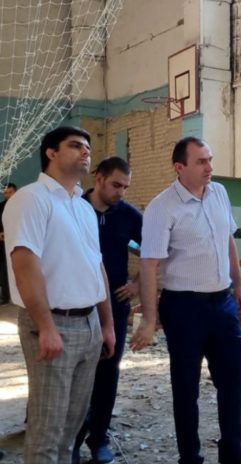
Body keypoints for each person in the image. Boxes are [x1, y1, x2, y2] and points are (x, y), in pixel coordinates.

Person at [3, 126, 115, 463]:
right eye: (76, 146)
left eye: (88, 147)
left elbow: (97, 266)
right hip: (53, 324)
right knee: (47, 433)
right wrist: (46, 327)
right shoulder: (30, 199)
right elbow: (25, 265)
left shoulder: (82, 207)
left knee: (70, 431)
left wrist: (107, 325)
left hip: (89, 325)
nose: (86, 152)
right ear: (51, 153)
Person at [139, 136, 241, 464]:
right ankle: (190, 456)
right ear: (180, 167)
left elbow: (227, 239)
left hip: (222, 303)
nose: (209, 167)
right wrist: (149, 319)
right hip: (183, 307)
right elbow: (149, 264)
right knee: (186, 386)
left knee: (232, 379)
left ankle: (232, 451)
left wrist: (238, 285)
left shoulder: (219, 193)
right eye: (201, 161)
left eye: (210, 159)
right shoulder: (162, 207)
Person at [72, 157, 143, 464]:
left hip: (114, 303)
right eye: (116, 185)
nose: (121, 192)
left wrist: (137, 284)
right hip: (76, 303)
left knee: (108, 370)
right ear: (98, 178)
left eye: (125, 187)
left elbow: (156, 250)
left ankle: (98, 438)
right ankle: (71, 441)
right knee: (76, 373)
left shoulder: (128, 215)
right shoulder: (74, 208)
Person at [0, 182, 17, 304]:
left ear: (16, 191)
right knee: (4, 269)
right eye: (5, 193)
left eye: (10, 192)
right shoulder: (1, 206)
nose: (8, 195)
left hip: (19, 241)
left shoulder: (24, 205)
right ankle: (5, 296)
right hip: (3, 243)